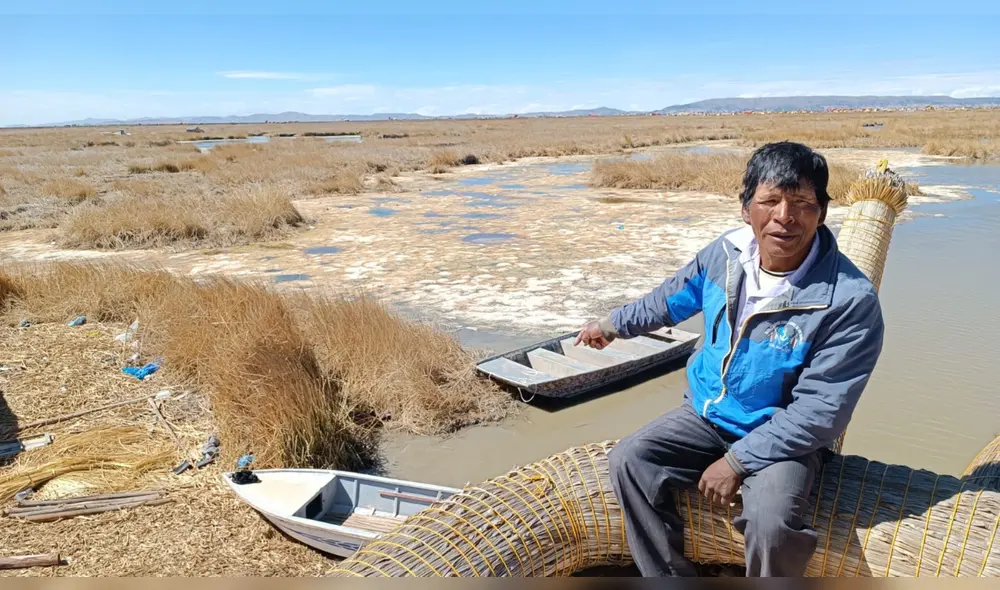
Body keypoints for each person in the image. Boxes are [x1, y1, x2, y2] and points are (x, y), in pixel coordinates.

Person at [575, 141, 885, 577]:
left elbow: (821, 411)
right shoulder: (725, 255)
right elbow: (671, 299)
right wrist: (612, 325)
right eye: (770, 201)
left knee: (771, 524)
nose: (785, 217)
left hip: (783, 438)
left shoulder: (849, 300)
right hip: (705, 415)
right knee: (629, 460)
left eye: (802, 203)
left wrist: (737, 462)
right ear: (746, 209)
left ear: (822, 213)